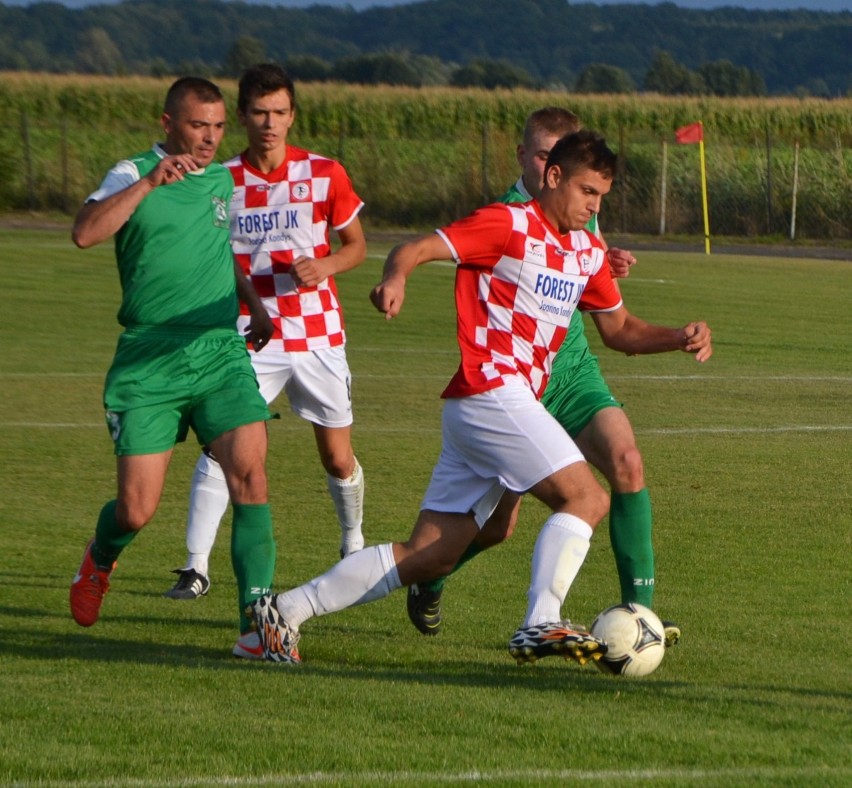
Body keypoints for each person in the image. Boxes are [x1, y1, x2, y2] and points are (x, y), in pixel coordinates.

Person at [246, 130, 712, 665]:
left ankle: (283, 613)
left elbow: (621, 328)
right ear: (553, 177)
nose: (593, 205)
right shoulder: (509, 223)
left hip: (494, 405)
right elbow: (416, 247)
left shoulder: (586, 251)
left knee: (429, 553)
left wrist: (678, 337)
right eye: (587, 191)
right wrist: (394, 279)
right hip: (491, 388)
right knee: (586, 497)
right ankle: (540, 622)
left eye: (602, 196)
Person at [406, 107, 682, 650]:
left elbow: (596, 292)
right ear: (529, 160)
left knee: (626, 462)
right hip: (513, 383)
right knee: (497, 528)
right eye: (539, 153)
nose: (546, 163)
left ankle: (640, 616)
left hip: (570, 371)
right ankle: (431, 575)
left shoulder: (582, 207)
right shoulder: (505, 218)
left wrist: (608, 262)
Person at [68, 76, 277, 657]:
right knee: (136, 510)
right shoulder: (131, 172)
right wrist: (149, 183)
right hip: (149, 359)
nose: (209, 138)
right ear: (168, 126)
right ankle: (100, 557)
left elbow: (215, 246)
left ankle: (257, 627)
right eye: (196, 126)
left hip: (217, 351)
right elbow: (85, 233)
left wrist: (253, 303)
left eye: (216, 126)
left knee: (251, 476)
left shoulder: (221, 178)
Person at [163, 64, 367, 632]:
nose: (269, 123)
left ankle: (353, 542)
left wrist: (324, 264)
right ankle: (195, 566)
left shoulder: (324, 173)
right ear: (243, 117)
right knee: (222, 448)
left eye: (279, 112)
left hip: (320, 334)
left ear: (292, 115)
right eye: (258, 112)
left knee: (335, 456)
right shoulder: (222, 179)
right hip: (249, 336)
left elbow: (356, 246)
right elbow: (207, 247)